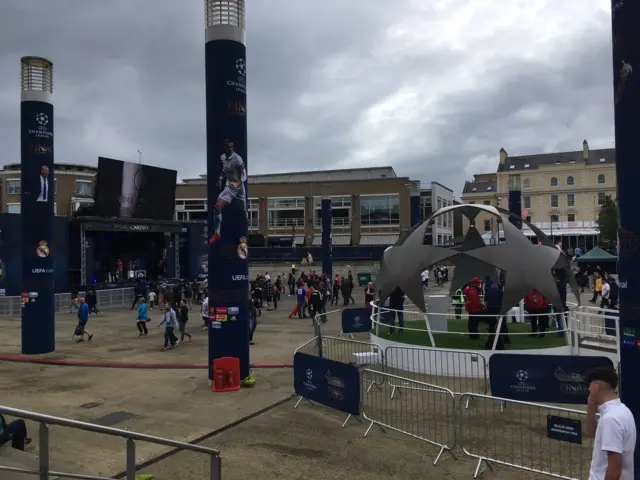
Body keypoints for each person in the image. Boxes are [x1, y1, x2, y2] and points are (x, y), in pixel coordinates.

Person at [585, 366, 636, 479]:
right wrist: (591, 404)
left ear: (598, 386)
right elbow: (591, 433)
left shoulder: (611, 419)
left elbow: (614, 470)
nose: (589, 390)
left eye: (590, 387)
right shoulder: (623, 410)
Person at [209, 138, 247, 245]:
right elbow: (225, 170)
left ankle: (244, 233)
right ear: (224, 147)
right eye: (228, 147)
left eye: (232, 147)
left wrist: (237, 183)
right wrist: (220, 178)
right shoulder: (222, 157)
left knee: (243, 213)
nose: (230, 149)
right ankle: (217, 233)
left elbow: (245, 175)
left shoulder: (237, 159)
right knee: (217, 206)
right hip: (229, 187)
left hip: (238, 188)